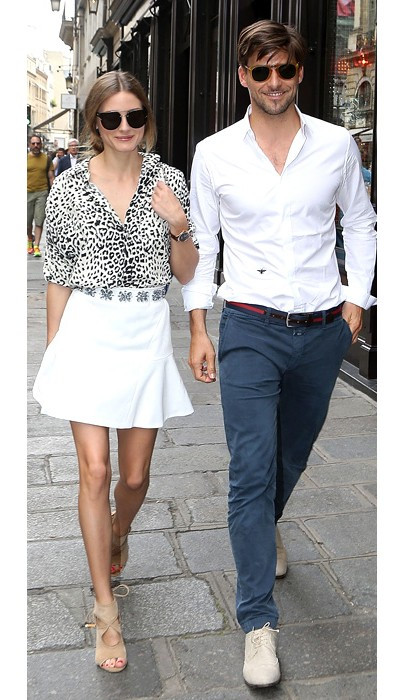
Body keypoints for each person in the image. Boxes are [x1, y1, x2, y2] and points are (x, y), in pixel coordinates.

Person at [182, 20, 376, 688]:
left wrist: (356, 303)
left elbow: (362, 221)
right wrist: (198, 326)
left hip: (323, 330)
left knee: (290, 456)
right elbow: (204, 243)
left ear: (299, 72)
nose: (273, 82)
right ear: (243, 76)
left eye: (284, 70)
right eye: (260, 71)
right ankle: (257, 623)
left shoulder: (337, 144)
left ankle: (264, 529)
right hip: (249, 326)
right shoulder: (213, 154)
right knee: (250, 468)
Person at [32, 70, 199, 673]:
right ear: (94, 124)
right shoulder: (69, 187)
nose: (124, 127)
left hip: (144, 331)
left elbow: (187, 271)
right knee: (95, 471)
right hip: (87, 333)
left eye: (134, 116)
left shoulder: (168, 181)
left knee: (133, 476)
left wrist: (178, 224)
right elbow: (58, 275)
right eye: (111, 118)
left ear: (146, 120)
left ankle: (118, 530)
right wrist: (54, 348)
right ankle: (105, 611)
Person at [27, 134, 55, 256]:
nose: (36, 146)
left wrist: (54, 192)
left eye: (38, 143)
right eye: (33, 143)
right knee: (27, 222)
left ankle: (37, 246)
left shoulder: (47, 159)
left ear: (41, 144)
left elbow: (51, 177)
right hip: (27, 193)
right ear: (30, 144)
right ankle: (30, 239)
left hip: (42, 193)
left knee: (39, 220)